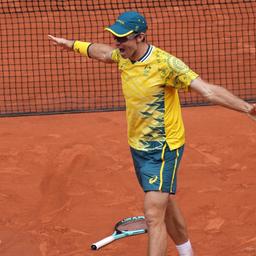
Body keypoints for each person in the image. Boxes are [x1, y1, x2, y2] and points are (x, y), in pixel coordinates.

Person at [48, 11, 256, 256]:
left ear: (140, 37)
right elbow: (102, 53)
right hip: (138, 146)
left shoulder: (166, 65)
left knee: (152, 216)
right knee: (166, 204)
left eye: (122, 38)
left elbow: (207, 91)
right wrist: (72, 45)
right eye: (115, 37)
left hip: (164, 148)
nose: (117, 43)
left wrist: (247, 108)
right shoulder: (124, 57)